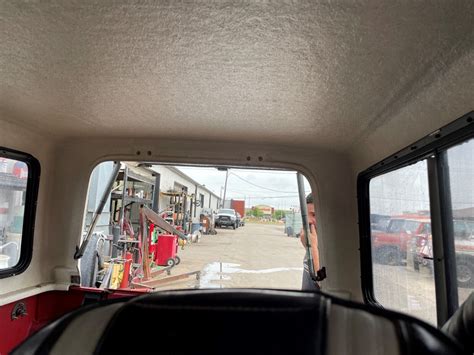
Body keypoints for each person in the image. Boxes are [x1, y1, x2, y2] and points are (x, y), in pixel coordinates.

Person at [300, 193, 321, 290]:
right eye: (305, 215)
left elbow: (323, 284)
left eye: (314, 215)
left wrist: (311, 248)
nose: (308, 220)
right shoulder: (316, 241)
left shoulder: (334, 246)